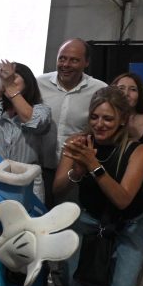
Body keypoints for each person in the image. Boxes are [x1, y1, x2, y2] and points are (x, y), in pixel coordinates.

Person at [51, 87, 143, 286]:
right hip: (90, 219)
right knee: (75, 279)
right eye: (94, 117)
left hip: (130, 225)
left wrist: (94, 165)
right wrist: (77, 171)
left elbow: (122, 199)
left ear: (123, 120)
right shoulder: (78, 143)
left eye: (108, 118)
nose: (99, 124)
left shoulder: (139, 150)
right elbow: (58, 189)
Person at [36, 39, 107, 205]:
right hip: (40, 170)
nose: (66, 64)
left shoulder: (100, 90)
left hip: (76, 171)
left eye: (74, 60)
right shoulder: (38, 84)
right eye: (62, 58)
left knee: (70, 217)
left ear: (86, 62)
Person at [0, 61, 52, 201]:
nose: (8, 82)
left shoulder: (41, 110)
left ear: (28, 82)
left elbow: (32, 121)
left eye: (13, 78)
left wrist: (11, 88)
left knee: (27, 215)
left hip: (27, 181)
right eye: (5, 79)